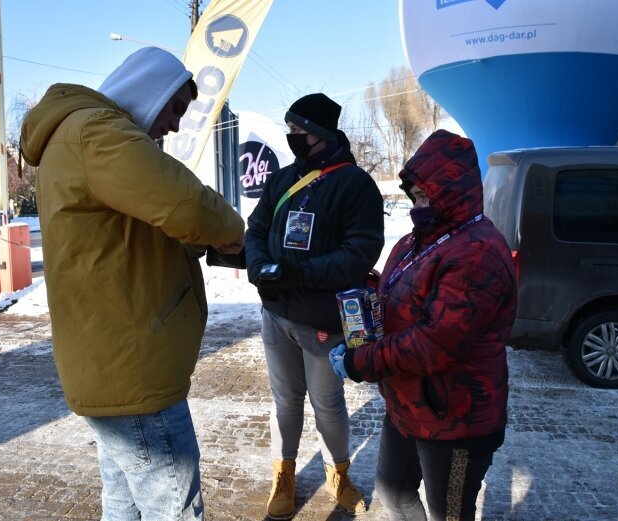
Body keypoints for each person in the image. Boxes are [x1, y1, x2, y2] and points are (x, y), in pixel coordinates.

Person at [20, 47, 245, 521]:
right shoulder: (99, 134)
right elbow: (189, 207)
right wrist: (235, 234)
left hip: (110, 361)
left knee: (124, 505)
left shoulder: (77, 134)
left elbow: (132, 231)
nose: (177, 125)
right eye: (175, 109)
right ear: (151, 92)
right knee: (174, 510)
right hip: (132, 367)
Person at [329, 130, 517, 521]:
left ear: (453, 192)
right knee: (393, 492)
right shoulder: (416, 241)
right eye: (415, 197)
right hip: (408, 405)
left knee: (448, 514)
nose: (419, 205)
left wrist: (359, 363)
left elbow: (435, 343)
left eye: (426, 196)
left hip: (457, 419)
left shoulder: (477, 252)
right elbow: (394, 295)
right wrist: (359, 295)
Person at [245, 93, 385, 519]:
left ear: (321, 134)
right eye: (290, 131)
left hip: (323, 322)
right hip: (276, 316)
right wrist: (258, 267)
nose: (292, 138)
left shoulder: (355, 184)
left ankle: (338, 473)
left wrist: (298, 273)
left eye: (298, 132)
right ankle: (283, 474)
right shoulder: (283, 179)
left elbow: (360, 251)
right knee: (285, 402)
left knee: (328, 404)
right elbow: (256, 229)